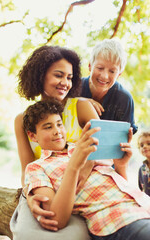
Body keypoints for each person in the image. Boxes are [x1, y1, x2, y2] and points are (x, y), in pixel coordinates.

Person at [23, 99, 150, 240]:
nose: (57, 131)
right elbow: (56, 219)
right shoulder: (36, 167)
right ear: (33, 136)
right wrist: (74, 166)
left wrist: (121, 166)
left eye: (59, 124)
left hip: (142, 204)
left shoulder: (84, 147)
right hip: (116, 219)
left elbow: (117, 187)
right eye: (48, 127)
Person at [10, 45, 100, 240]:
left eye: (69, 77)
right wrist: (32, 199)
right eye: (59, 75)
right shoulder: (22, 120)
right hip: (44, 190)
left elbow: (103, 148)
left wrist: (84, 170)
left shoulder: (82, 107)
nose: (65, 83)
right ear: (40, 76)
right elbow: (26, 170)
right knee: (30, 234)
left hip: (83, 190)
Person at [80, 39, 138, 134]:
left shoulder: (124, 99)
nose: (104, 76)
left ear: (119, 74)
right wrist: (81, 102)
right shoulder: (74, 87)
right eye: (100, 68)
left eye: (112, 71)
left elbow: (125, 136)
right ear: (90, 66)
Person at [138, 131, 150, 196]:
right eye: (141, 145)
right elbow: (141, 188)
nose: (144, 147)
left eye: (149, 144)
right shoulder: (142, 169)